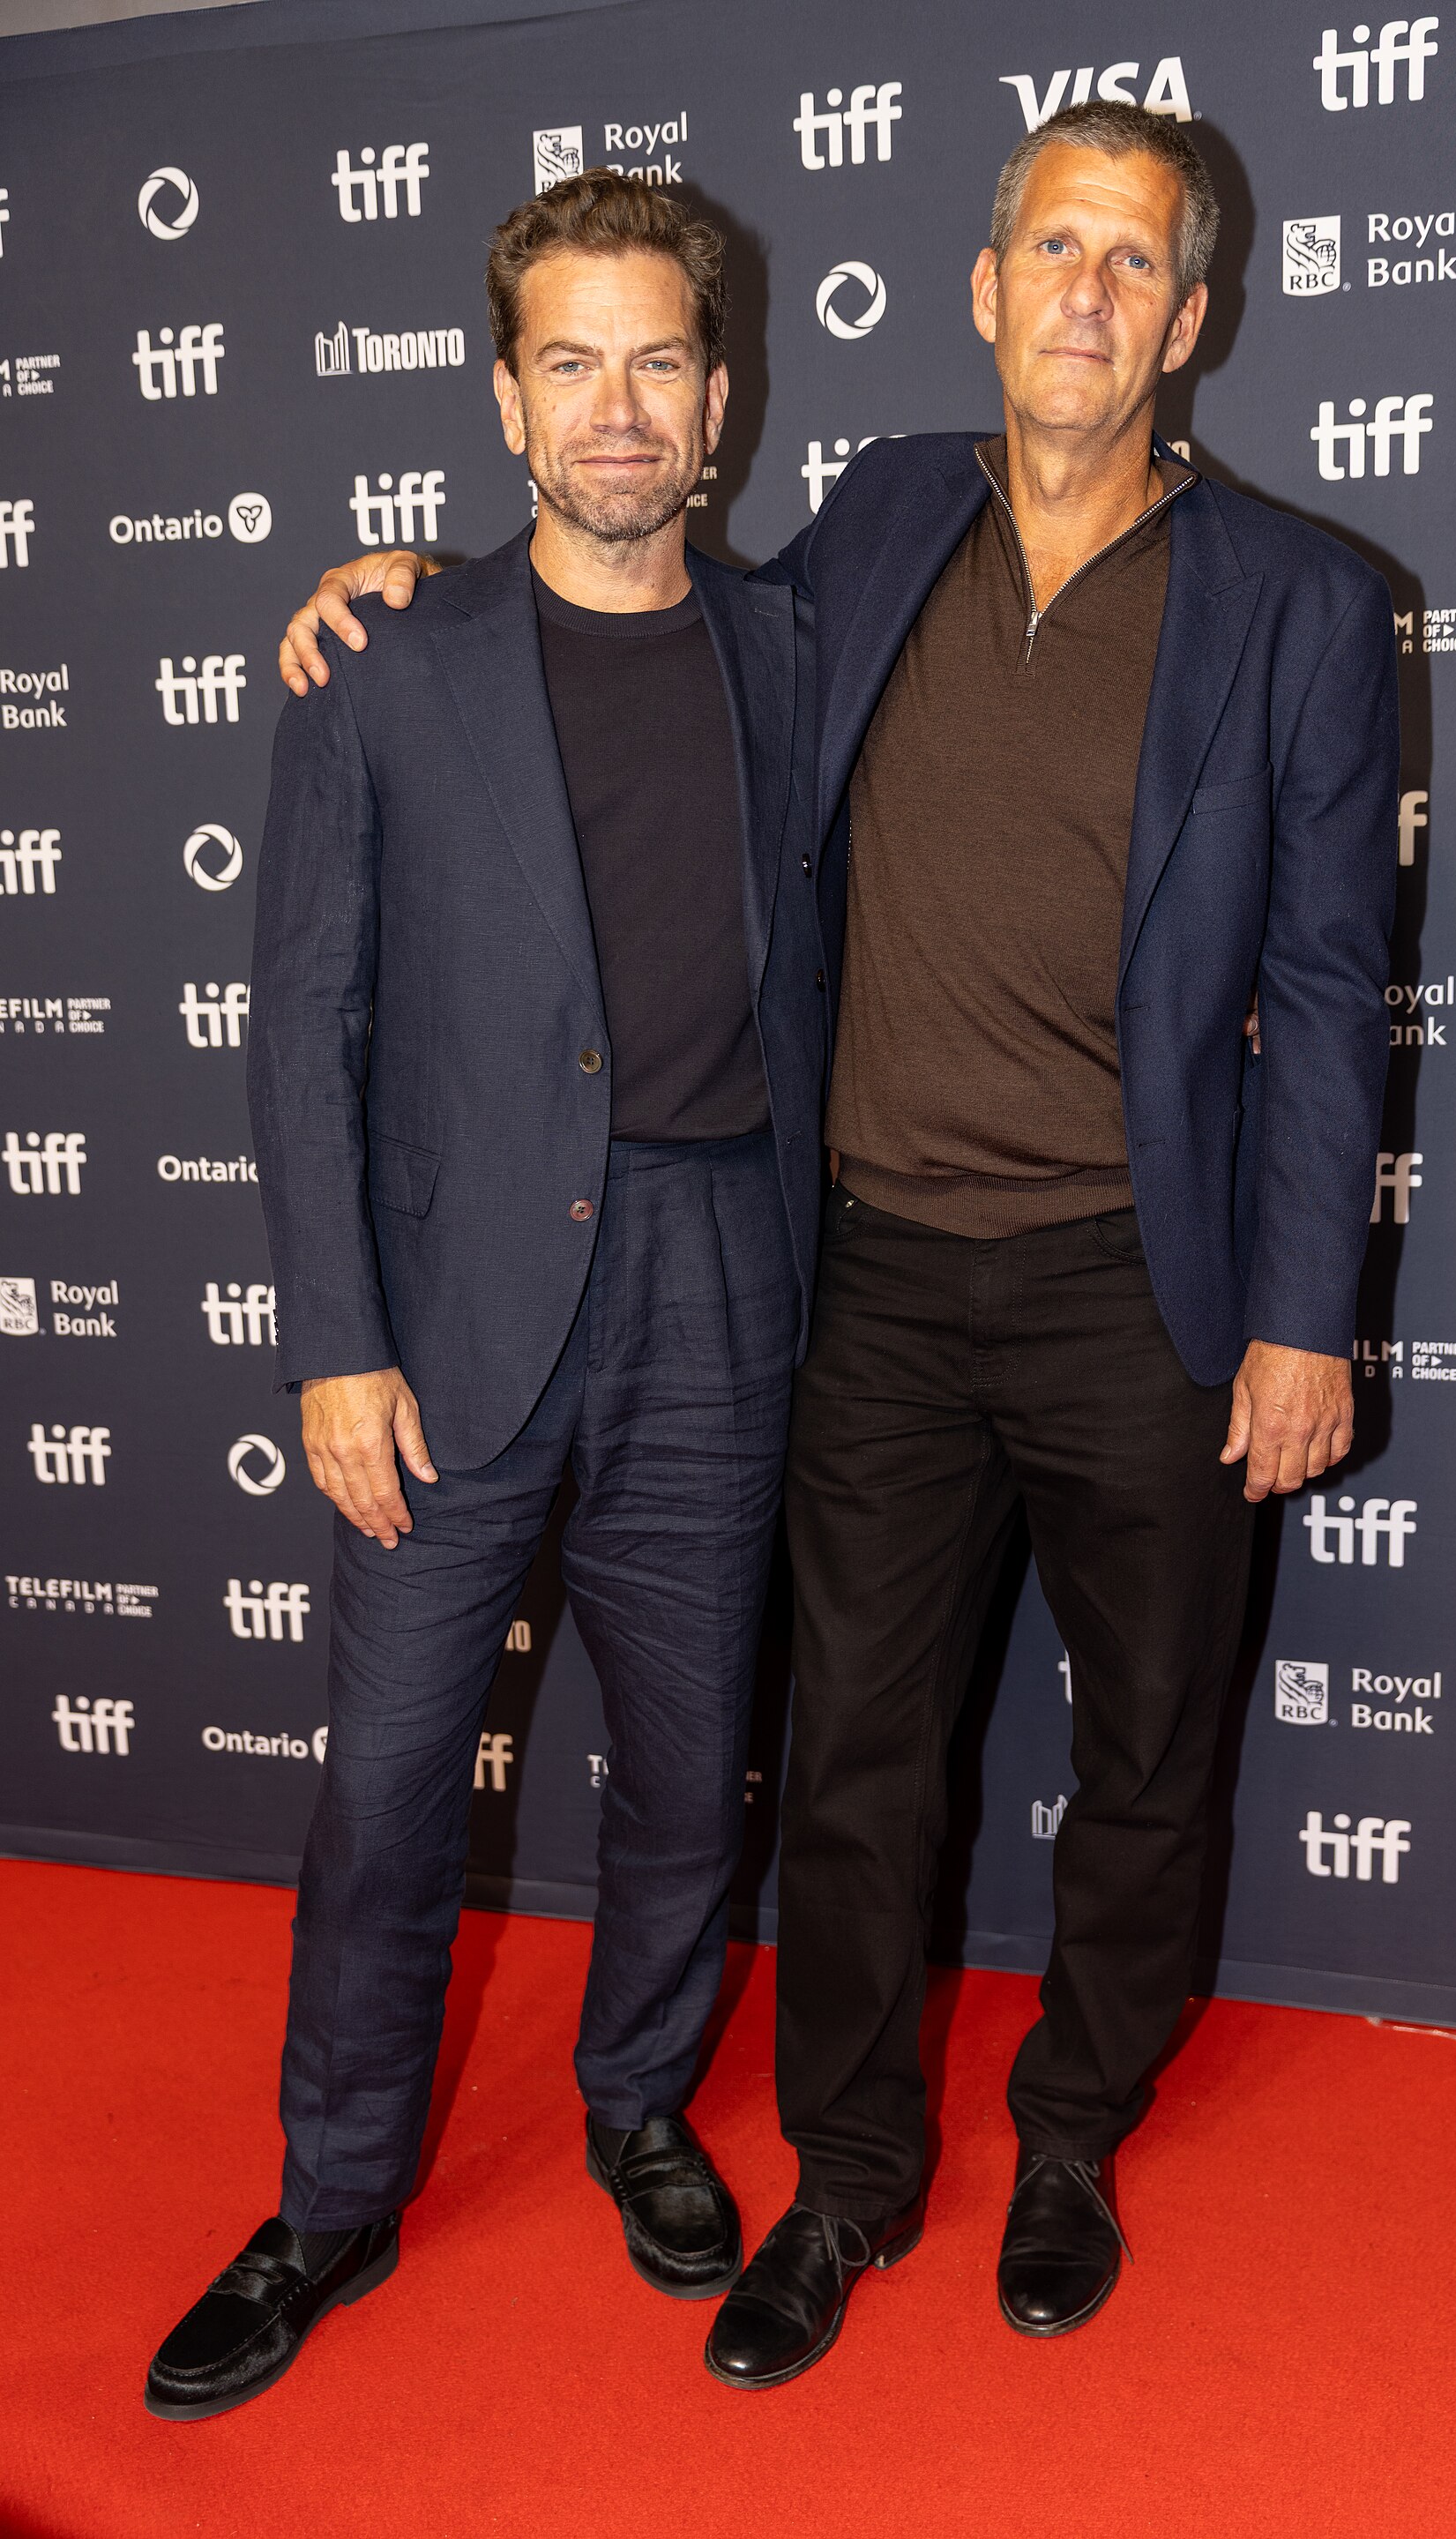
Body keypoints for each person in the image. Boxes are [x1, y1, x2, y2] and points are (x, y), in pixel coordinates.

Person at [278, 101, 1397, 2392]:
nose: (1083, 293)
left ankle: (1073, 2132)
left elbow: (1336, 979)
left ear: (1190, 320)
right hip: (869, 1287)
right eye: (1047, 248)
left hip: (1144, 1289)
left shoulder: (1301, 599)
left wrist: (1304, 1313)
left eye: (1134, 262)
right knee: (861, 1759)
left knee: (1152, 1746)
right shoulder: (881, 517)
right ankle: (853, 2175)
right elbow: (610, 614)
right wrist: (381, 581)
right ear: (981, 292)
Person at [145, 172, 827, 2422]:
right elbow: (299, 1017)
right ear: (504, 393)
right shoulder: (385, 659)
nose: (615, 408)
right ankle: (332, 2197)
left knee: (683, 1770)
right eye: (570, 361)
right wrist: (333, 1337)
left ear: (718, 398)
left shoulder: (796, 654)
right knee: (389, 1784)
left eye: (657, 361)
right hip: (440, 1311)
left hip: (721, 1271)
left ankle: (639, 2098)